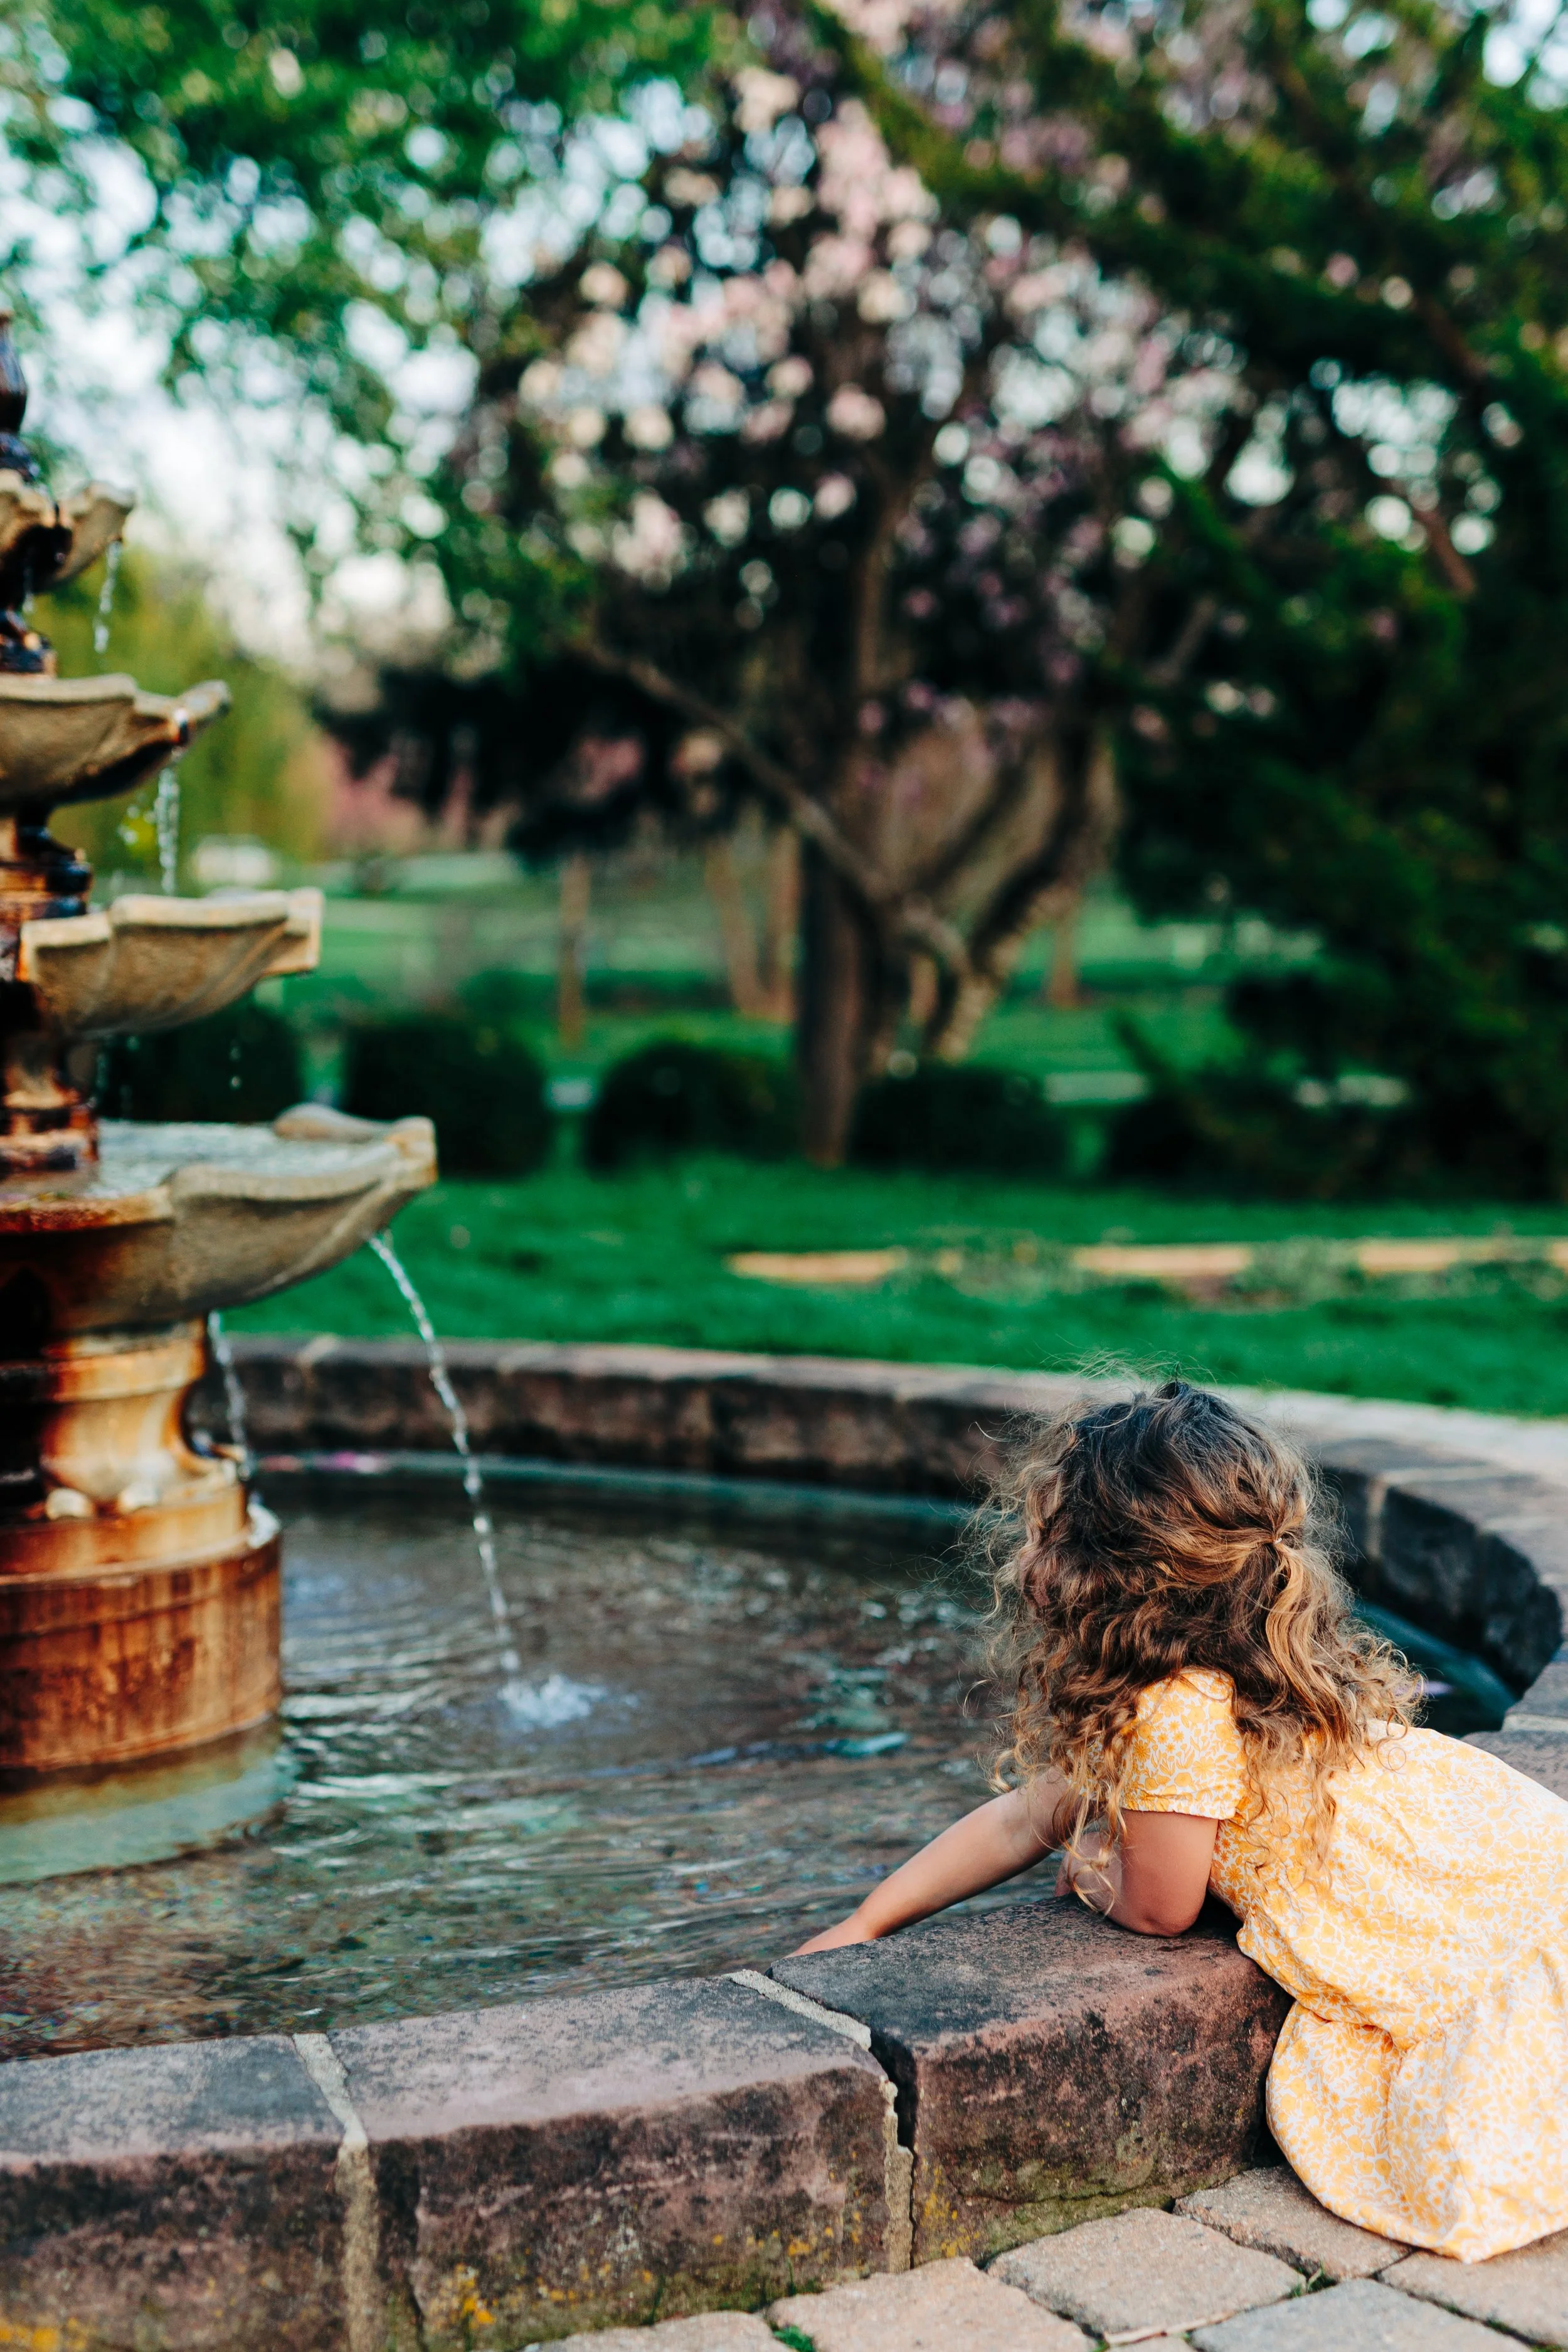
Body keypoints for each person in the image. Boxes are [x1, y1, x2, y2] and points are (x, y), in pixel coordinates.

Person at [795, 1379, 1568, 2263]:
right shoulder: (1225, 1665)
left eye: (1048, 1530)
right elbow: (1019, 1819)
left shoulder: (1176, 1708)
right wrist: (870, 1920)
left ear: (1110, 1566)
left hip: (1431, 1892)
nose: (1025, 1550)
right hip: (1482, 1832)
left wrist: (1097, 1864)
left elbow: (1161, 1906)